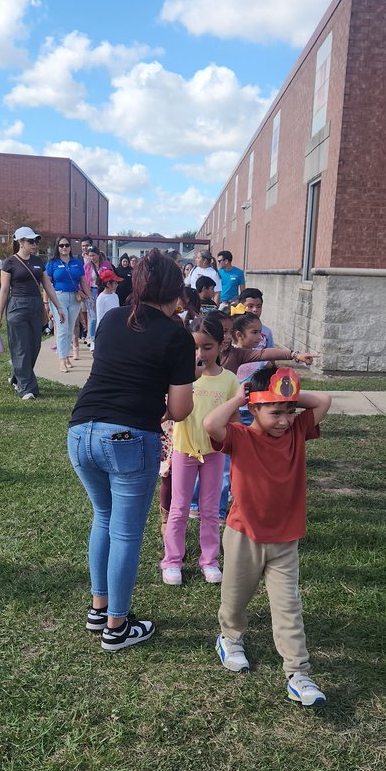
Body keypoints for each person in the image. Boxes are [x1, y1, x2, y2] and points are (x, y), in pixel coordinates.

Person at [67, 249, 195, 652]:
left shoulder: (109, 318)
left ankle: (98, 607)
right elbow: (179, 409)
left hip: (79, 431)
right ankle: (117, 626)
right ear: (175, 291)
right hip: (126, 438)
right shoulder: (176, 335)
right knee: (125, 532)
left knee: (102, 517)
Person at [203, 366, 332, 705]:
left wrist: (286, 395)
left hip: (285, 540)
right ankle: (230, 638)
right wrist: (240, 398)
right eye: (275, 412)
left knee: (288, 606)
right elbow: (210, 425)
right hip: (243, 534)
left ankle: (299, 673)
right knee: (235, 598)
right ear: (254, 408)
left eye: (290, 411)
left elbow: (323, 400)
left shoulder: (298, 432)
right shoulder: (240, 436)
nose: (285, 420)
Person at [161, 314, 239, 586]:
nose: (200, 353)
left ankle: (210, 561)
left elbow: (234, 419)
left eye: (207, 347)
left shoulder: (229, 380)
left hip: (215, 454)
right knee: (179, 507)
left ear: (221, 345)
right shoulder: (180, 377)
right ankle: (172, 561)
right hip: (184, 451)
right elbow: (168, 411)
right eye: (194, 347)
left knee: (210, 510)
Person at [0, 227, 66, 400]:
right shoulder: (9, 263)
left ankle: (17, 375)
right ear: (20, 242)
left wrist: (58, 307)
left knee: (34, 346)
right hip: (17, 306)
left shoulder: (38, 262)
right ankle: (26, 388)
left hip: (35, 305)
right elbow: (4, 290)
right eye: (31, 241)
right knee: (21, 347)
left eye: (36, 241)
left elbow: (47, 285)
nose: (35, 244)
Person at [45, 237, 92, 373]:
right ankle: (62, 360)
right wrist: (46, 302)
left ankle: (66, 357)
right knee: (62, 329)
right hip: (59, 297)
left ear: (70, 247)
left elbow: (83, 282)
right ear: (57, 248)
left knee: (70, 330)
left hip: (75, 298)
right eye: (61, 245)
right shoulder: (52, 263)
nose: (64, 247)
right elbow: (47, 284)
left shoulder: (77, 263)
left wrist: (90, 297)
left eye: (66, 245)